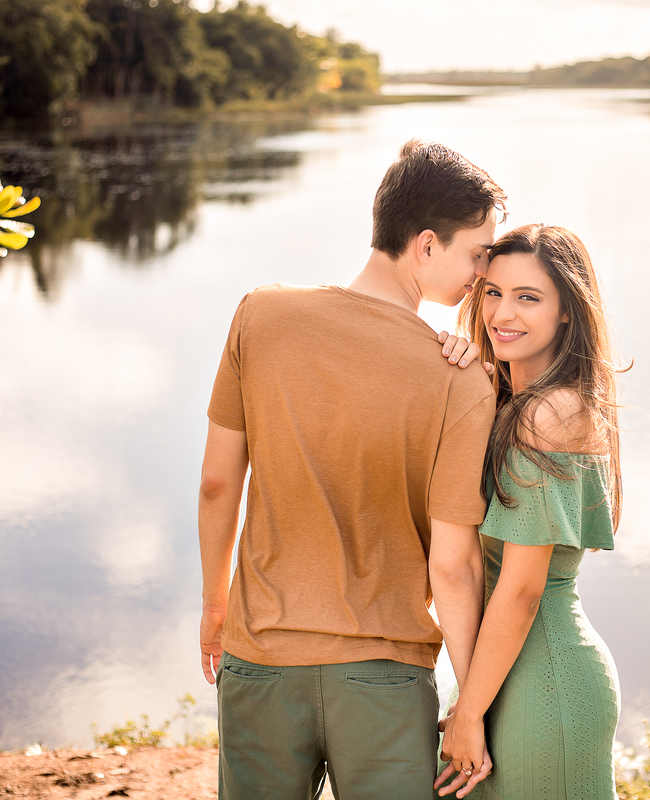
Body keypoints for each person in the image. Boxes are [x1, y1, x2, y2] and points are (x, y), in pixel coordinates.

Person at [197, 139, 504, 800]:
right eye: (477, 254)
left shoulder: (261, 314)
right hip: (385, 679)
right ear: (426, 245)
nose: (483, 274)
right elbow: (452, 566)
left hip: (262, 658)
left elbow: (218, 483)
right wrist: (473, 704)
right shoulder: (462, 380)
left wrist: (215, 605)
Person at [435, 224, 624, 800]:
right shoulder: (516, 399)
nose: (502, 313)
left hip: (544, 682)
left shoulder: (549, 416)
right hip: (502, 677)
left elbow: (520, 590)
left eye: (528, 297)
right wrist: (470, 372)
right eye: (491, 292)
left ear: (568, 311)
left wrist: (469, 716)